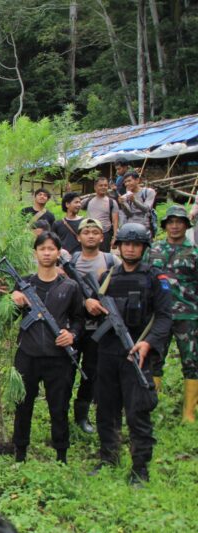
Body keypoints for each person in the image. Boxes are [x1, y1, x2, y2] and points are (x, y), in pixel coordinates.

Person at [86, 223, 172, 484]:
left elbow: (165, 318)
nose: (131, 248)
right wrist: (88, 303)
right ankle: (108, 457)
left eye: (136, 244)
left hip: (137, 354)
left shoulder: (156, 279)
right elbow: (94, 306)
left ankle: (140, 468)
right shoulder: (107, 277)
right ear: (119, 246)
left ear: (144, 248)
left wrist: (148, 344)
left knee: (137, 412)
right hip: (108, 353)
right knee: (105, 409)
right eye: (126, 244)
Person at [10, 232, 85, 464]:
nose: (46, 253)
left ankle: (61, 455)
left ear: (58, 252)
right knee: (23, 406)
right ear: (35, 252)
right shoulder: (24, 283)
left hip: (58, 358)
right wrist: (13, 301)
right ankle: (20, 453)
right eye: (42, 248)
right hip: (28, 355)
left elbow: (80, 319)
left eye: (51, 248)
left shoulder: (70, 286)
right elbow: (10, 317)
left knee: (59, 407)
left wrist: (71, 335)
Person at [147, 206, 198, 422]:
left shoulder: (194, 252)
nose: (175, 226)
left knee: (192, 361)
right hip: (159, 315)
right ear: (165, 225)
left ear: (186, 226)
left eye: (179, 222)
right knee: (154, 358)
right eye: (170, 221)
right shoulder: (154, 250)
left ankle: (188, 412)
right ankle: (150, 405)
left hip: (188, 314)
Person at [68, 219, 118, 434]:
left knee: (91, 371)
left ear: (101, 237)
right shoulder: (71, 261)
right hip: (74, 326)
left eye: (95, 232)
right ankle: (61, 412)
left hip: (100, 328)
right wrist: (84, 302)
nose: (90, 235)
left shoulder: (111, 261)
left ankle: (82, 415)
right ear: (78, 237)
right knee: (67, 371)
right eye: (85, 232)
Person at [82, 176, 119, 252]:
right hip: (90, 233)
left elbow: (115, 221)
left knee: (104, 257)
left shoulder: (112, 202)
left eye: (105, 185)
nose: (103, 187)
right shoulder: (88, 201)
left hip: (105, 234)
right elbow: (74, 207)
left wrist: (115, 237)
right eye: (101, 185)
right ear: (95, 187)